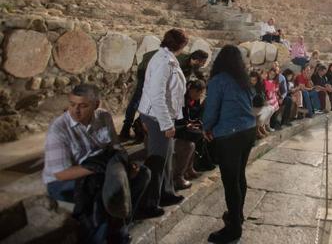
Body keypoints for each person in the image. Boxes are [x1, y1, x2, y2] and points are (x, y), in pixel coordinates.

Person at [43, 84, 150, 242]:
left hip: (103, 166)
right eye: (72, 104)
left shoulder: (103, 116)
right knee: (101, 187)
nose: (75, 111)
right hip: (65, 180)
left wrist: (126, 165)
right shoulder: (59, 128)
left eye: (83, 106)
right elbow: (60, 174)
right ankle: (103, 237)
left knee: (142, 174)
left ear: (96, 105)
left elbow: (115, 146)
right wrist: (97, 169)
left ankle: (120, 223)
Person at [202, 46, 257, 243]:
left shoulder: (219, 80)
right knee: (239, 176)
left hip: (230, 134)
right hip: (248, 130)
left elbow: (211, 109)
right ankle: (237, 215)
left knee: (230, 182)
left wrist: (206, 128)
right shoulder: (243, 79)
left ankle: (234, 228)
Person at [137, 29, 188, 218]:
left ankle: (165, 193)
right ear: (181, 45)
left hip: (162, 115)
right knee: (157, 160)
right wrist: (167, 124)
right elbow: (157, 95)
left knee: (166, 158)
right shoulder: (164, 62)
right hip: (157, 117)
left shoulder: (168, 58)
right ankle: (149, 203)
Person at [120, 49, 209, 141]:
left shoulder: (191, 64)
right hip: (147, 69)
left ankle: (140, 124)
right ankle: (126, 128)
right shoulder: (177, 62)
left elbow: (192, 76)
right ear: (197, 60)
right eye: (203, 63)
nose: (203, 65)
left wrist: (205, 82)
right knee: (138, 99)